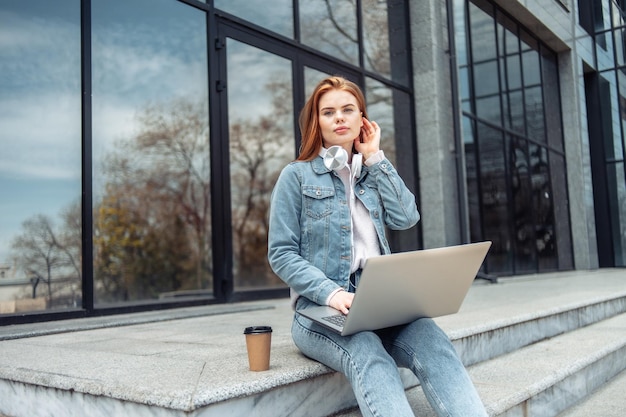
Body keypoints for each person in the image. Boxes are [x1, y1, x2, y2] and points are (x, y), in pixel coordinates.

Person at [267, 76, 487, 417]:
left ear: (362, 121)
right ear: (317, 123)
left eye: (347, 110)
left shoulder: (370, 174)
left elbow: (406, 217)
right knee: (368, 351)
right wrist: (332, 293)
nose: (339, 118)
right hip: (319, 310)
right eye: (328, 112)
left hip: (379, 301)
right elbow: (281, 253)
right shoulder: (295, 177)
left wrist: (375, 158)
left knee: (434, 341)